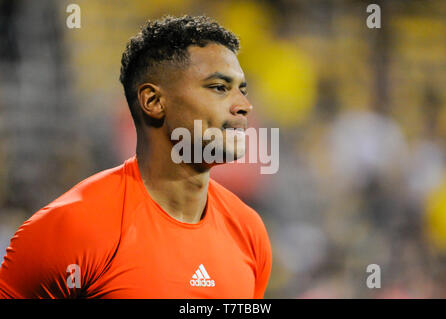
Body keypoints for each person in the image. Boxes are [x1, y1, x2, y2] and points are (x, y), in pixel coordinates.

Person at [0, 15, 272, 298]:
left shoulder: (249, 231)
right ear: (153, 101)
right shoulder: (72, 227)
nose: (244, 106)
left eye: (242, 89)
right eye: (219, 88)